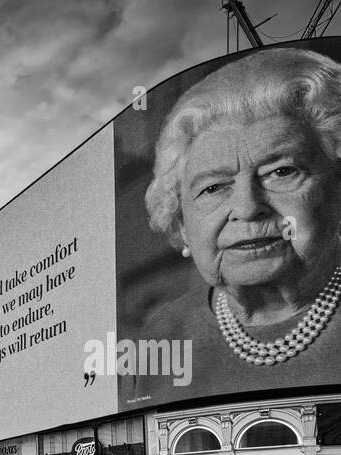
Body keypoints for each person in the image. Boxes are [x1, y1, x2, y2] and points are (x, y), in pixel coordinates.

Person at [131, 48, 341, 406]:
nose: (247, 208)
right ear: (181, 225)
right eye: (213, 187)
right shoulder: (158, 342)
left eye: (281, 171)